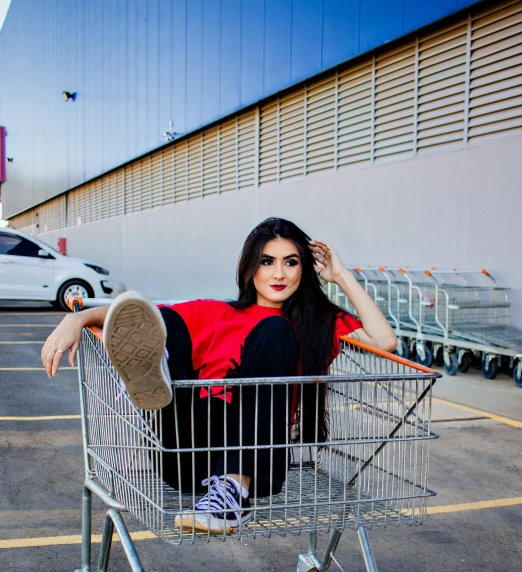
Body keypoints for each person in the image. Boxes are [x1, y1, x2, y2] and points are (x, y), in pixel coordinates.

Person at [41, 217, 397, 534]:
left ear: (304, 269)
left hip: (257, 461)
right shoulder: (217, 313)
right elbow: (136, 315)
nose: (279, 274)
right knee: (167, 323)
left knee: (274, 330)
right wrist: (77, 318)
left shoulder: (317, 326)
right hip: (185, 451)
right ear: (250, 268)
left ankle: (230, 489)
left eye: (291, 263)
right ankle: (156, 371)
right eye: (267, 262)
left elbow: (385, 341)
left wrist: (340, 275)